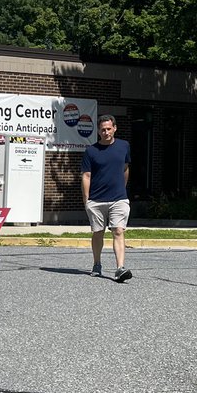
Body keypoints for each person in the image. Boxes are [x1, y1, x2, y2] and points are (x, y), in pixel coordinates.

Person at [81, 114, 132, 282]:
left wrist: (122, 189)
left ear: (115, 128)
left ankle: (120, 268)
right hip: (96, 200)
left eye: (109, 129)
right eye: (103, 130)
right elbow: (86, 176)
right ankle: (97, 264)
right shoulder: (91, 151)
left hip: (119, 198)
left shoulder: (124, 146)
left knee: (118, 230)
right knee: (98, 233)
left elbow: (125, 169)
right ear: (98, 131)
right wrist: (86, 200)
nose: (106, 132)